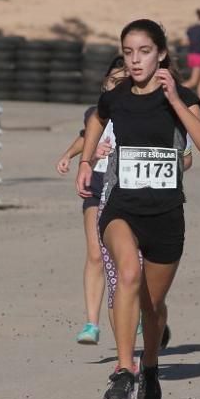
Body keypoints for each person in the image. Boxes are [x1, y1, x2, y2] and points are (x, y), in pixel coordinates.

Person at [76, 19, 200, 399]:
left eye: (144, 52)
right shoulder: (117, 97)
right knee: (128, 276)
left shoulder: (185, 97)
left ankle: (150, 368)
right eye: (129, 52)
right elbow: (95, 119)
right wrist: (86, 161)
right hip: (122, 208)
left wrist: (173, 100)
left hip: (167, 216)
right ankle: (124, 369)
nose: (135, 60)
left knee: (153, 307)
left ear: (161, 55)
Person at [56, 56, 126, 345]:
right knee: (96, 253)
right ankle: (91, 324)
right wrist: (68, 155)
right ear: (104, 82)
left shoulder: (139, 111)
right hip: (97, 184)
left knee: (126, 260)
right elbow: (86, 138)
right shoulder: (96, 112)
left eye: (123, 82)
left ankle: (133, 314)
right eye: (113, 80)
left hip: (127, 187)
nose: (116, 86)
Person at [182, 9, 200, 106]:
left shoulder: (190, 29)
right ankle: (173, 91)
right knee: (193, 81)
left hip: (191, 55)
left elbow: (185, 42)